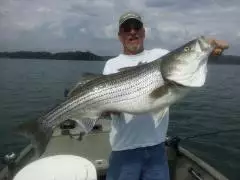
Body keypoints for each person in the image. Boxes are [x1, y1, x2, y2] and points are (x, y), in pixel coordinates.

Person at [102, 11, 229, 180]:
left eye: (137, 27)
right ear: (120, 36)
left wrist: (212, 47)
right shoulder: (112, 65)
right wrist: (106, 110)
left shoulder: (160, 55)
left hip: (157, 150)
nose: (132, 32)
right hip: (124, 149)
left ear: (143, 32)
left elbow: (216, 46)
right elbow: (108, 111)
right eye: (127, 29)